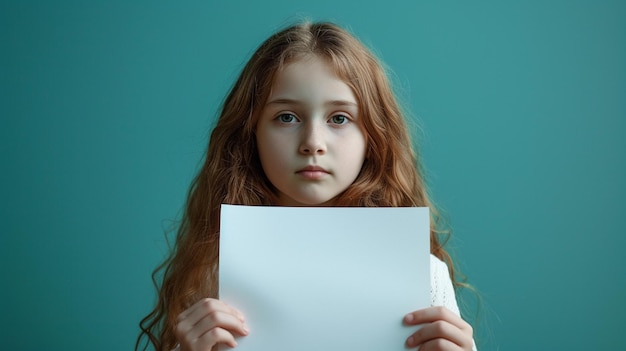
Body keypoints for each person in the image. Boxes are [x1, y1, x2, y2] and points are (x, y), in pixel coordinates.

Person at [137, 21, 476, 351]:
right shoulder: (211, 278)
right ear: (250, 134)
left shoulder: (424, 277)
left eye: (339, 118)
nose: (313, 142)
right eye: (287, 117)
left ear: (374, 138)